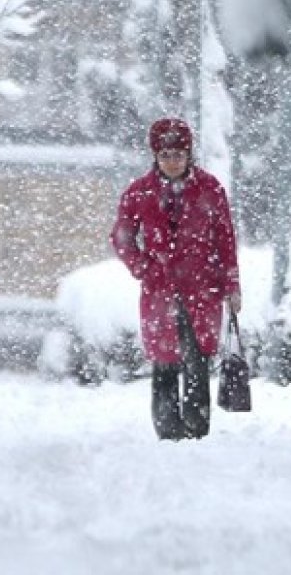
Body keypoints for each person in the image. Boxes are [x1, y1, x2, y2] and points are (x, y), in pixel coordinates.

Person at [111, 118, 241, 440]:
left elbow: (225, 240)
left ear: (189, 155)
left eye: (179, 155)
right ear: (155, 156)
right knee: (165, 360)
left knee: (197, 360)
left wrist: (231, 285)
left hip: (202, 289)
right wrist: (143, 267)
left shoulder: (210, 189)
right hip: (159, 291)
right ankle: (168, 430)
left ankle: (197, 428)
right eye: (166, 155)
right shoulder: (139, 193)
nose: (172, 162)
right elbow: (122, 237)